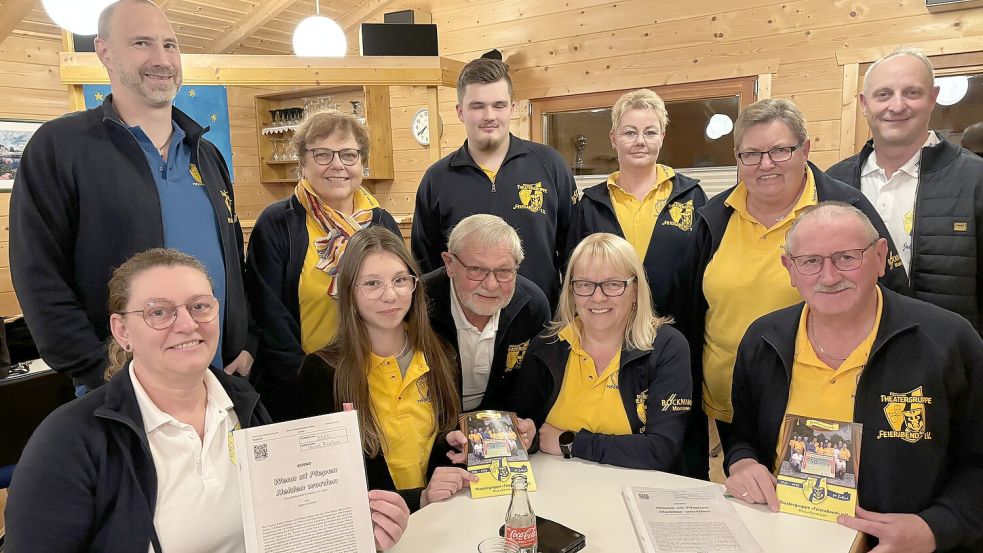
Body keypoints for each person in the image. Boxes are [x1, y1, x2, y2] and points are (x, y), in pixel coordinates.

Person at [3, 248, 410, 552]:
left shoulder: (248, 410)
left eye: (200, 306)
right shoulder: (71, 441)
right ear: (122, 330)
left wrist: (351, 532)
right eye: (158, 313)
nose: (186, 324)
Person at [9, 0, 253, 393]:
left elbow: (233, 261)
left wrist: (244, 340)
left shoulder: (206, 155)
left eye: (170, 45)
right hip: (118, 392)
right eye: (142, 43)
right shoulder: (60, 147)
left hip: (219, 382)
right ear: (104, 51)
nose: (161, 59)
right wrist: (98, 371)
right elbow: (39, 275)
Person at [724, 202, 983, 553]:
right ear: (790, 267)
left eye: (847, 257)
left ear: (879, 257)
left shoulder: (948, 341)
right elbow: (743, 437)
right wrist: (743, 463)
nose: (829, 277)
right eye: (811, 261)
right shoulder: (764, 339)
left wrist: (936, 528)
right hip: (783, 536)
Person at [672, 99, 907, 478]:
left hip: (824, 407)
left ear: (805, 149)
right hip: (732, 404)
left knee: (819, 508)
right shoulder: (713, 217)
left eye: (780, 150)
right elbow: (689, 307)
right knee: (752, 501)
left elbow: (894, 297)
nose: (765, 164)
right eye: (751, 154)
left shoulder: (845, 207)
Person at [295, 227, 475, 512]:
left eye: (400, 280)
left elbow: (440, 439)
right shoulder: (322, 373)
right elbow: (323, 487)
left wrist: (451, 444)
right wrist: (420, 498)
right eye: (372, 284)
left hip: (440, 519)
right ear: (348, 291)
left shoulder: (442, 354)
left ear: (415, 284)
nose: (390, 295)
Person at [246, 110, 400, 422]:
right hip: (299, 387)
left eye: (348, 154)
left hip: (376, 381)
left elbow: (402, 299)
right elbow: (268, 313)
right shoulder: (278, 223)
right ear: (302, 162)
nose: (337, 164)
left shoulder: (381, 222)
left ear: (362, 162)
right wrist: (308, 379)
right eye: (322, 154)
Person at [828, 47, 983, 332]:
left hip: (946, 360)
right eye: (883, 94)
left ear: (933, 99)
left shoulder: (976, 179)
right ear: (864, 104)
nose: (897, 106)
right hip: (851, 352)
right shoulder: (833, 182)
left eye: (912, 93)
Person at [509, 233, 692, 471]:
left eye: (613, 284)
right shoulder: (547, 345)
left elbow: (661, 450)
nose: (597, 297)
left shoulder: (667, 347)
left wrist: (572, 442)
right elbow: (527, 428)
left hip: (636, 492)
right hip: (555, 489)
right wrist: (528, 435)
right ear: (571, 291)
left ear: (635, 290)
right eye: (584, 284)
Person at [412, 58, 576, 307]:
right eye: (477, 106)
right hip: (460, 331)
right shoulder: (436, 180)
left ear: (512, 107)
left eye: (499, 105)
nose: (489, 116)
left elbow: (574, 253)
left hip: (540, 324)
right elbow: (426, 265)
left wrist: (568, 315)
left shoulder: (550, 165)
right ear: (460, 111)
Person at [568, 88, 707, 319]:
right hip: (609, 331)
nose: (640, 141)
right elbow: (574, 277)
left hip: (677, 330)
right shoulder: (590, 206)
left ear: (662, 136)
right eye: (630, 133)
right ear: (614, 139)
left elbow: (704, 272)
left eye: (650, 132)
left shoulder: (692, 197)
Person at [424, 214, 550, 414]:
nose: (491, 285)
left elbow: (534, 390)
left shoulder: (533, 308)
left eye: (504, 271)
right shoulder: (418, 304)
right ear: (450, 264)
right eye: (476, 269)